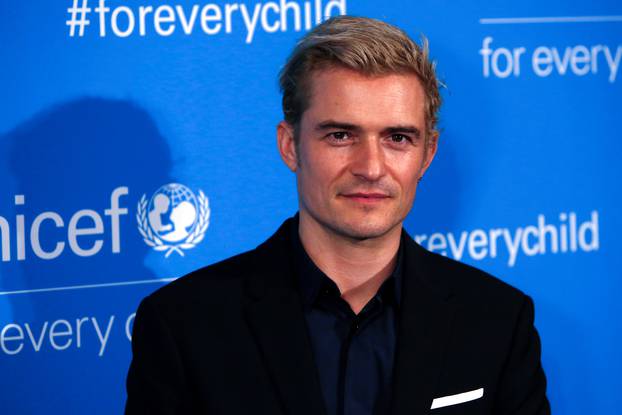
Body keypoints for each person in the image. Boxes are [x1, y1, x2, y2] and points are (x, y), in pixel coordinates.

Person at [125, 16, 550, 415]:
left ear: (427, 154)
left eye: (398, 138)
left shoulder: (498, 320)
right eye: (341, 135)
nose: (370, 167)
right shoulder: (184, 324)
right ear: (290, 145)